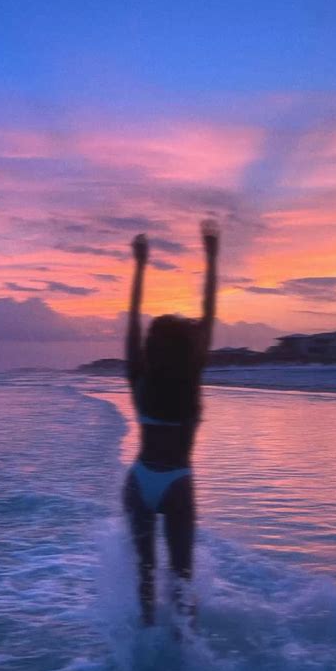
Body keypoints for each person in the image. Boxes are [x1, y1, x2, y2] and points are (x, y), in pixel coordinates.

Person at [123, 220, 219, 626]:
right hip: (178, 482)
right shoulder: (191, 378)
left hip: (141, 479)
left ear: (151, 347)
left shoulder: (139, 379)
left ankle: (145, 659)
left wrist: (140, 266)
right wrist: (212, 255)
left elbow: (132, 318)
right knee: (181, 578)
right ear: (188, 349)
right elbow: (209, 314)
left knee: (145, 576)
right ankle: (187, 657)